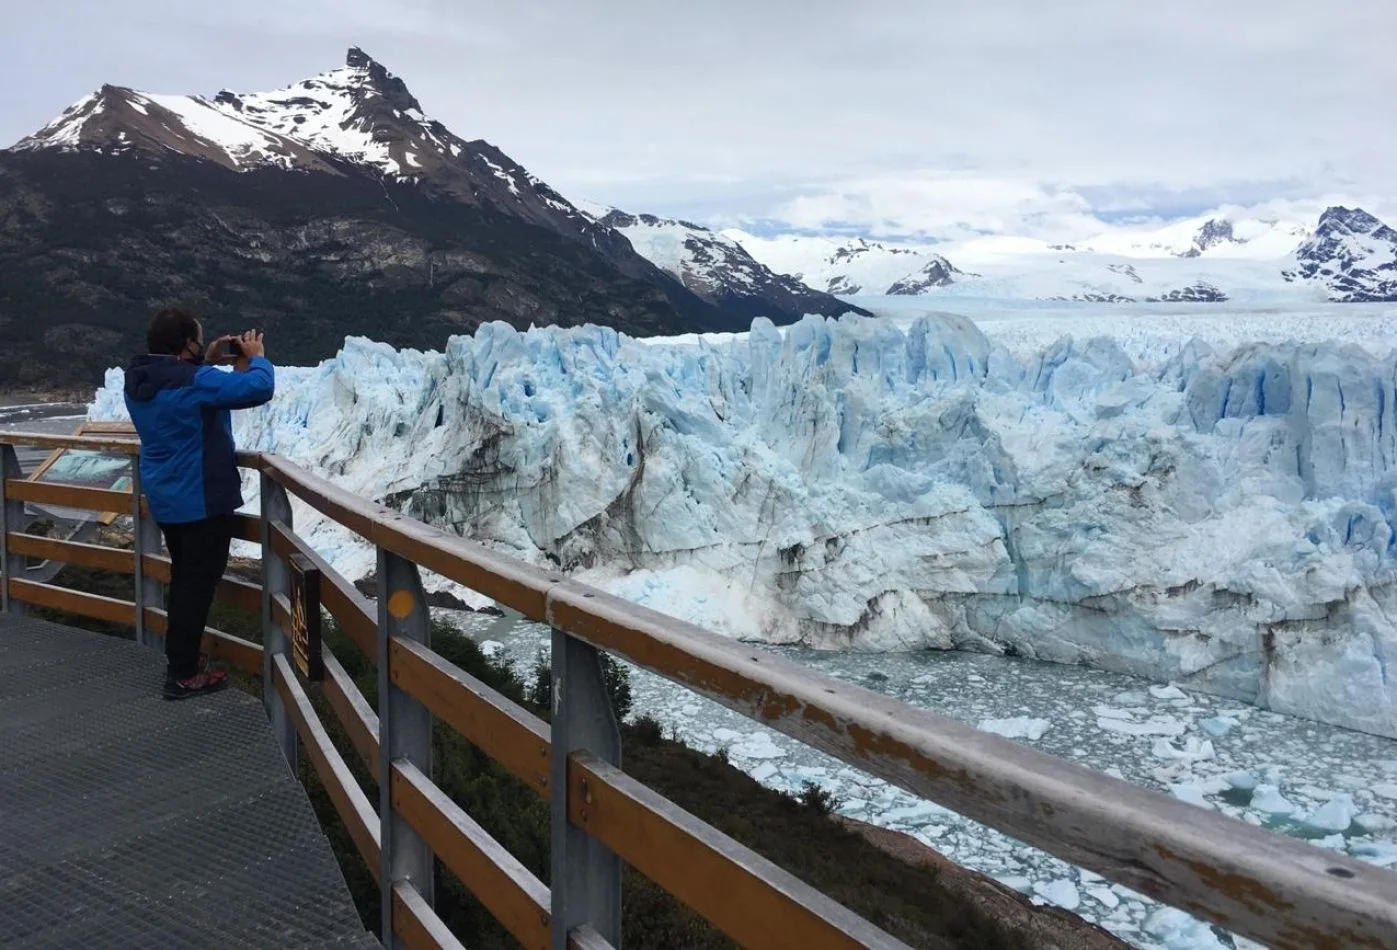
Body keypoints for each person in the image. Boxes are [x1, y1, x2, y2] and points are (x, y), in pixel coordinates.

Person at [123, 307, 274, 699]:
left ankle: (181, 661)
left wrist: (205, 362)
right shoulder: (192, 382)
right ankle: (182, 673)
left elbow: (194, 401)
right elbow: (256, 390)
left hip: (168, 498)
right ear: (186, 344)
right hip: (201, 498)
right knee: (196, 585)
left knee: (184, 579)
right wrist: (256, 356)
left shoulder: (140, 379)